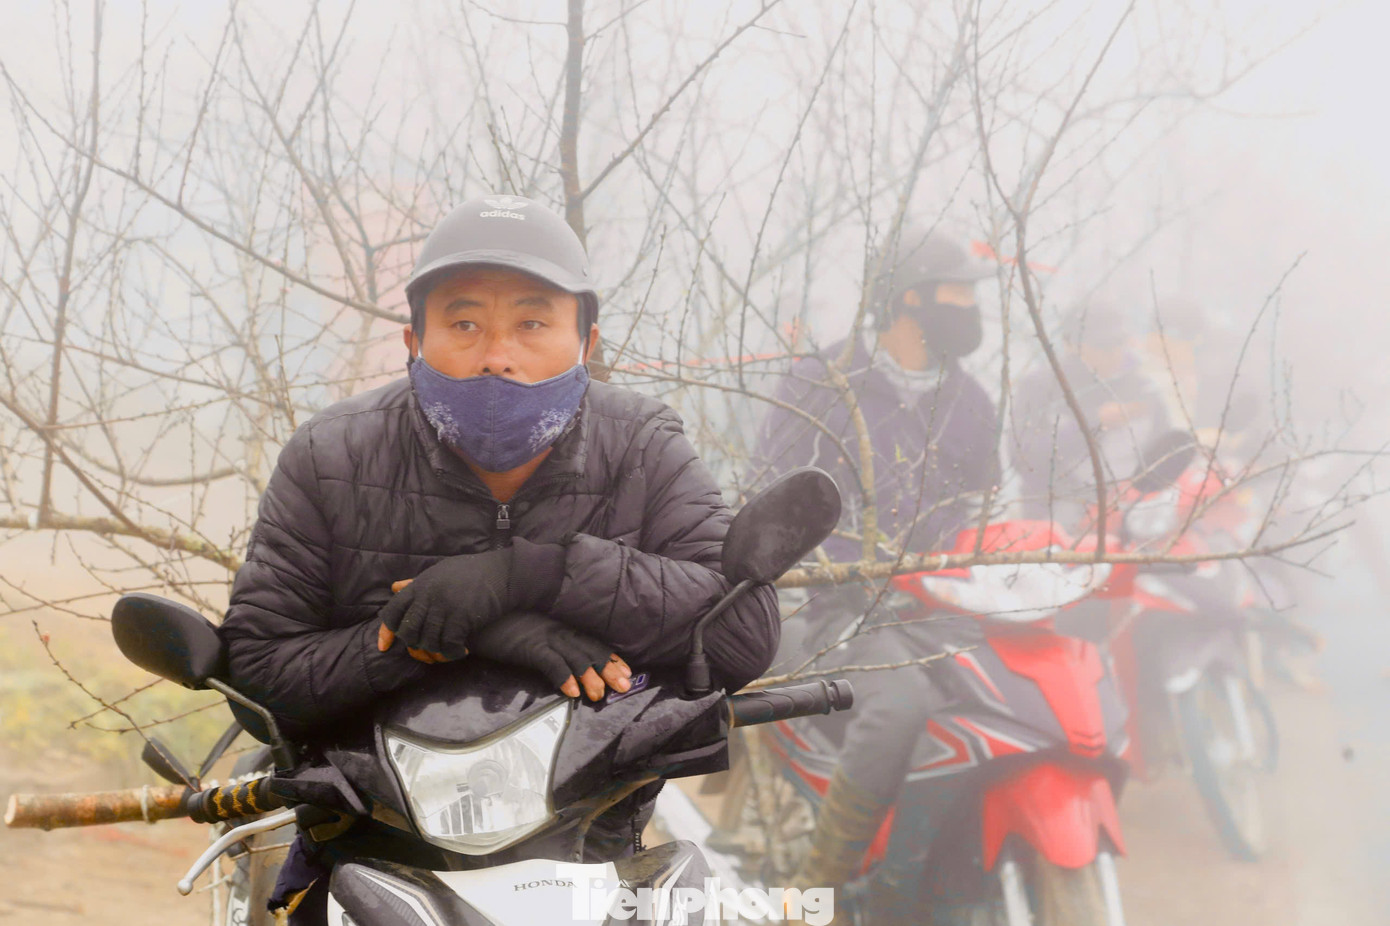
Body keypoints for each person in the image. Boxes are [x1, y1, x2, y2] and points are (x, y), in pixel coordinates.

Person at [218, 194, 780, 922]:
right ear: (413, 340)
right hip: (372, 848)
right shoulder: (332, 455)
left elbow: (740, 633)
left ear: (588, 341)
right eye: (464, 322)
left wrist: (532, 574)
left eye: (532, 321)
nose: (497, 357)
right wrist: (460, 631)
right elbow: (259, 669)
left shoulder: (641, 444)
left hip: (593, 851)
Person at [753, 228, 999, 916]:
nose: (973, 307)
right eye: (961, 292)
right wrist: (839, 570)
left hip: (942, 611)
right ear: (910, 299)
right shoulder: (820, 384)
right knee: (900, 705)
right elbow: (766, 500)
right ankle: (819, 886)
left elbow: (987, 516)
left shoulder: (971, 402)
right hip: (836, 612)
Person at [1011, 299, 1170, 529]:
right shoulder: (1041, 387)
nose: (1114, 353)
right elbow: (1023, 457)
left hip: (1130, 517)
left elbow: (1164, 456)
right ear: (1071, 346)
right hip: (1056, 520)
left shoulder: (1144, 389)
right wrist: (1094, 424)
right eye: (1103, 346)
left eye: (1119, 343)